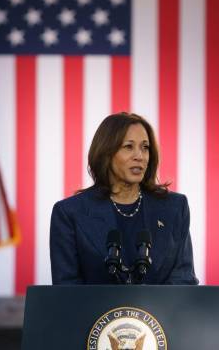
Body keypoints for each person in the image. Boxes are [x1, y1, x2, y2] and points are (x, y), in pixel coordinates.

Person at [50, 112, 198, 285]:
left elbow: (183, 279)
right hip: (94, 312)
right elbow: (66, 289)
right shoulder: (69, 213)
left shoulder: (174, 208)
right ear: (106, 152)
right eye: (128, 147)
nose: (139, 156)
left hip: (162, 313)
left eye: (145, 147)